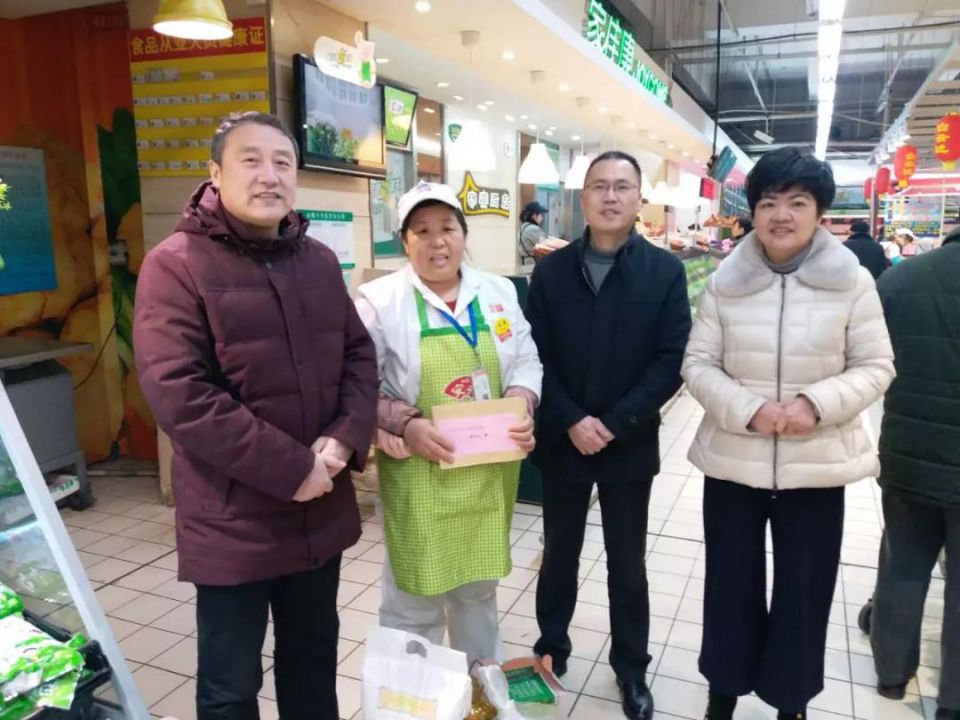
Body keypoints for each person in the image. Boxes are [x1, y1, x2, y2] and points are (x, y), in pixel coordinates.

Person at [133, 112, 378, 720]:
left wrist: (344, 439)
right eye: (250, 160)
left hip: (319, 512)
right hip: (233, 522)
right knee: (231, 687)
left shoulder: (317, 260)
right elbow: (180, 394)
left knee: (312, 664)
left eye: (282, 162)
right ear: (215, 173)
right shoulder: (175, 264)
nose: (269, 175)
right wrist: (293, 468)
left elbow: (358, 354)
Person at [682, 147, 895, 720]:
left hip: (816, 465)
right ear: (752, 211)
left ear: (819, 212)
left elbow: (877, 365)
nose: (781, 215)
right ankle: (723, 692)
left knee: (804, 592)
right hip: (734, 461)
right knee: (729, 587)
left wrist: (814, 405)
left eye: (797, 202)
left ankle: (791, 700)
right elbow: (698, 363)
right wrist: (747, 409)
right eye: (769, 202)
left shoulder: (852, 281)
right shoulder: (726, 281)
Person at [526, 150, 692, 720]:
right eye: (599, 186)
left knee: (627, 562)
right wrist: (571, 418)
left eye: (622, 186)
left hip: (629, 443)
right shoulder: (551, 272)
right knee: (559, 555)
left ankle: (631, 667)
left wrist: (616, 424)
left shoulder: (663, 272)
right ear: (584, 198)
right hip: (562, 438)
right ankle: (552, 648)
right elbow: (534, 354)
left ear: (639, 198)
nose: (611, 196)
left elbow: (672, 358)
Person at [355, 181, 542, 663]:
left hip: (486, 471)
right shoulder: (379, 300)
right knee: (412, 600)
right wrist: (405, 424)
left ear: (463, 235)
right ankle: (412, 696)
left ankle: (480, 691)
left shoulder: (498, 292)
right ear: (405, 241)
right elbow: (354, 385)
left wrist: (521, 401)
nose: (437, 241)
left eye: (447, 228)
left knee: (477, 595)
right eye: (422, 230)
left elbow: (526, 358)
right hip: (418, 471)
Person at [869, 223, 960, 720]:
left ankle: (891, 673)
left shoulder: (901, 279)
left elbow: (867, 359)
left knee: (903, 563)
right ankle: (952, 700)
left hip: (908, 449)